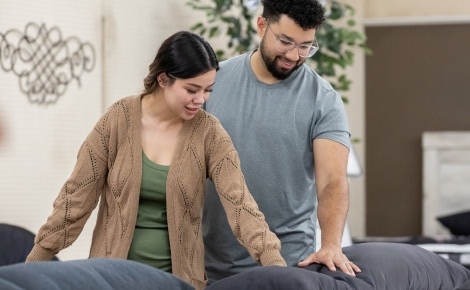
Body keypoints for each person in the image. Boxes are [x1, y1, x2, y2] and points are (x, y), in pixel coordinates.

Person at [26, 31, 286, 290]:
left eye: (208, 90)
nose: (201, 100)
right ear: (163, 79)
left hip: (178, 283)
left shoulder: (210, 133)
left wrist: (278, 270)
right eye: (191, 89)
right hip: (111, 279)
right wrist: (32, 267)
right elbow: (75, 200)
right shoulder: (117, 120)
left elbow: (240, 204)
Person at [202, 0, 361, 284]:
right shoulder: (214, 82)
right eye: (285, 42)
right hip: (210, 263)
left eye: (305, 46)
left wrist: (332, 244)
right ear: (262, 26)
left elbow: (332, 181)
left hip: (288, 265)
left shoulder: (322, 98)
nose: (294, 55)